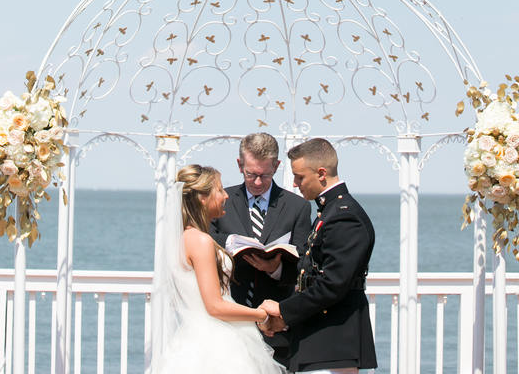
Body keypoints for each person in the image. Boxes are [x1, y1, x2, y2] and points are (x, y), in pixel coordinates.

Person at [260, 138, 377, 374]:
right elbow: (312, 270)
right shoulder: (331, 210)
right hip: (323, 335)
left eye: (299, 176)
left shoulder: (344, 216)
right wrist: (276, 268)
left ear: (321, 173)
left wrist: (284, 312)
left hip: (335, 340)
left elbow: (333, 284)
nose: (294, 183)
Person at [153, 163, 283, 374]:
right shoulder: (201, 241)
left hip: (196, 337)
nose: (226, 196)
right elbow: (214, 306)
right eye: (220, 190)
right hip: (215, 343)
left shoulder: (185, 238)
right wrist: (262, 315)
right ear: (203, 198)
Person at [210, 133, 312, 366]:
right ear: (239, 165)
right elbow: (204, 238)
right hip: (228, 324)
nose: (257, 182)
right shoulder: (220, 200)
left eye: (265, 175)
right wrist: (231, 242)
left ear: (276, 166)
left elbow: (303, 267)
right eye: (251, 174)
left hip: (276, 329)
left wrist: (275, 268)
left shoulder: (298, 207)